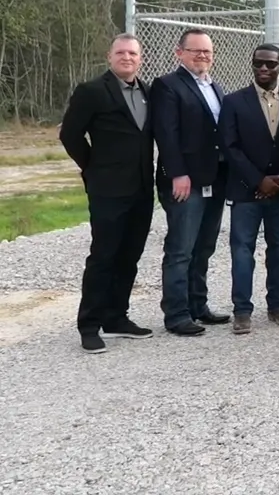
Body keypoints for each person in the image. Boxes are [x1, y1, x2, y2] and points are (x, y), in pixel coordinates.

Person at [59, 34, 156, 353]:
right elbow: (70, 134)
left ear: (140, 58)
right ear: (109, 56)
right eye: (121, 52)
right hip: (108, 190)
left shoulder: (147, 92)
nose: (127, 57)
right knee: (103, 256)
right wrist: (92, 168)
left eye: (133, 53)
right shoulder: (92, 91)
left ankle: (117, 317)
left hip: (141, 189)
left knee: (130, 255)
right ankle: (89, 324)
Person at [220, 44, 279, 334]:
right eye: (258, 63)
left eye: (270, 64)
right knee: (242, 250)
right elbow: (230, 147)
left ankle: (277, 305)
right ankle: (242, 311)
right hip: (247, 191)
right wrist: (258, 180)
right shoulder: (234, 102)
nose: (264, 68)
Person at [151, 28, 231, 336]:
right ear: (179, 53)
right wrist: (177, 174)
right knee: (181, 248)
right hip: (185, 182)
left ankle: (198, 305)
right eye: (195, 50)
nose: (202, 56)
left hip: (213, 179)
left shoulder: (216, 87)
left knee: (204, 247)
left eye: (207, 52)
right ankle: (176, 313)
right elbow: (166, 133)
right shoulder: (168, 86)